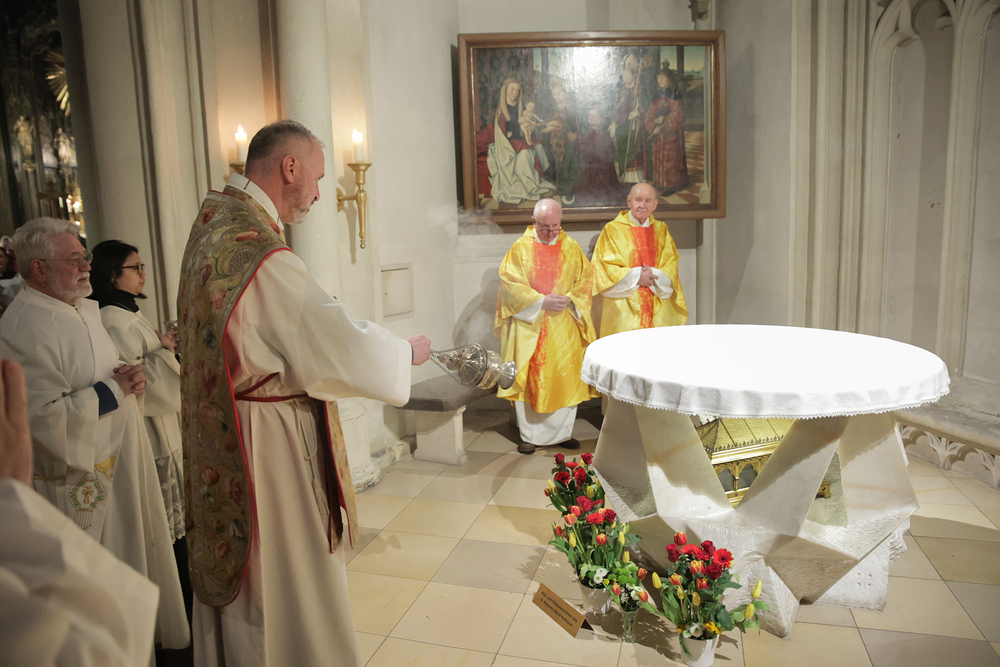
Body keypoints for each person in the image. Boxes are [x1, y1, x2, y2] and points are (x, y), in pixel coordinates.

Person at [179, 119, 432, 666]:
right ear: (288, 167)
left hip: (228, 428)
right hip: (267, 446)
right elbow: (326, 337)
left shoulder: (212, 226)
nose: (319, 193)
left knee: (256, 577)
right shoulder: (259, 253)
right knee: (284, 576)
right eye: (316, 177)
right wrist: (399, 352)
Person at [0, 218, 189, 652]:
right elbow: (40, 420)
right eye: (74, 259)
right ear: (38, 269)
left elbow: (101, 376)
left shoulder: (78, 310)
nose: (87, 265)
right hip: (84, 481)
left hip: (122, 460)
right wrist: (112, 389)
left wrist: (128, 378)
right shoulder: (25, 325)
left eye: (85, 256)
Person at [0, 356, 161, 666]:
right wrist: (9, 499)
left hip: (118, 457)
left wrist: (130, 375)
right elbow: (95, 650)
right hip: (79, 476)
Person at [495, 199, 598, 454]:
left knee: (565, 376)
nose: (551, 232)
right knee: (531, 376)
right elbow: (510, 286)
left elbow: (586, 280)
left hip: (564, 325)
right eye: (544, 227)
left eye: (555, 226)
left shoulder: (571, 246)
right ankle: (529, 436)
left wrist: (570, 299)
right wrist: (541, 302)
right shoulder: (520, 248)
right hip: (531, 327)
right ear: (533, 222)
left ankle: (562, 434)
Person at [591, 183, 688, 337]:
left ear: (655, 205)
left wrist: (654, 274)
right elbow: (604, 268)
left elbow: (671, 263)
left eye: (648, 201)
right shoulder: (612, 230)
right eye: (638, 200)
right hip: (623, 308)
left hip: (657, 304)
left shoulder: (661, 230)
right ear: (629, 201)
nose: (642, 205)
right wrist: (637, 276)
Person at [486, 78, 555, 205]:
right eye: (512, 89)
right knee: (525, 154)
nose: (515, 93)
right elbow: (501, 133)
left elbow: (526, 123)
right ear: (505, 91)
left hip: (520, 138)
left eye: (517, 90)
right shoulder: (502, 109)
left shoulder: (520, 107)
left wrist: (530, 129)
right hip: (507, 143)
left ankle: (539, 179)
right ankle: (530, 187)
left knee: (538, 147)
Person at [645, 68, 688, 195]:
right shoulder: (656, 95)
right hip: (658, 134)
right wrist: (653, 126)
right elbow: (650, 114)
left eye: (663, 78)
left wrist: (664, 121)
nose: (660, 80)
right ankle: (660, 183)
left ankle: (672, 185)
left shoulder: (675, 94)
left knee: (671, 159)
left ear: (669, 79)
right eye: (659, 78)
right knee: (659, 158)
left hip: (671, 135)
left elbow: (678, 115)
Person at [609, 53, 647, 184]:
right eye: (623, 75)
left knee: (634, 149)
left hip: (635, 125)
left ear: (634, 75)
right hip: (623, 126)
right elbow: (618, 109)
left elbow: (646, 107)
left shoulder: (640, 89)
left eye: (628, 74)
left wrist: (638, 112)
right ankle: (626, 177)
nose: (625, 77)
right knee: (623, 150)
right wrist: (614, 123)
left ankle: (637, 178)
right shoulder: (623, 91)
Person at [540, 82, 581, 199]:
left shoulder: (573, 110)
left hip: (569, 141)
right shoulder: (552, 111)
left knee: (570, 154)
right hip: (554, 141)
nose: (557, 96)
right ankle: (557, 184)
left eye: (559, 93)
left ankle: (566, 186)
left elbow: (578, 126)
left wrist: (576, 135)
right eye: (554, 94)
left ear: (565, 93)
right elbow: (546, 124)